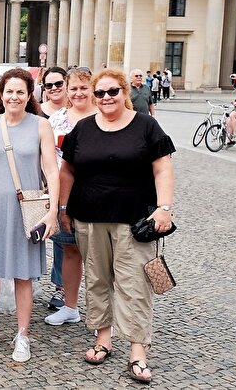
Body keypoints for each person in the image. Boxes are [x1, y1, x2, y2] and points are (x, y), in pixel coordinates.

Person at [58, 68, 175, 384]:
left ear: (124, 92)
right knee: (96, 279)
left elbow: (162, 169)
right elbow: (66, 171)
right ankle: (103, 338)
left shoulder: (146, 126)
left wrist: (164, 208)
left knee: (134, 283)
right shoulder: (82, 129)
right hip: (89, 217)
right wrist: (63, 207)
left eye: (112, 92)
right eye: (100, 93)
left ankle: (138, 351)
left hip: (134, 220)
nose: (106, 98)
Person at [0, 68, 59, 363]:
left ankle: (22, 334)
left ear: (29, 95)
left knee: (22, 273)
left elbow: (51, 171)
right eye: (9, 91)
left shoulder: (41, 126)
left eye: (20, 91)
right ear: (0, 95)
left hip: (25, 210)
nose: (14, 97)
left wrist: (53, 211)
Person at [45, 67, 96, 326]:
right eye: (73, 88)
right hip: (65, 193)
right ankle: (70, 305)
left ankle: (103, 312)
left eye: (83, 88)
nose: (78, 93)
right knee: (69, 249)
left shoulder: (103, 115)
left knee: (99, 255)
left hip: (98, 194)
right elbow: (48, 158)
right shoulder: (57, 119)